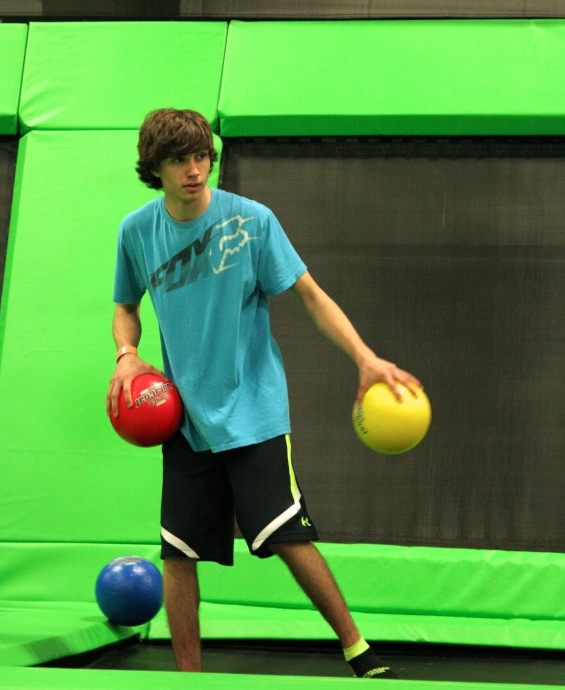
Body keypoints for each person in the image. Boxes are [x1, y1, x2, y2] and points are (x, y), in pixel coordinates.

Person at [106, 108, 422, 679]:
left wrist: (365, 358)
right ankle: (189, 677)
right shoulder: (137, 231)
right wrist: (126, 355)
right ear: (154, 167)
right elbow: (125, 309)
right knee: (178, 554)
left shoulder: (252, 221)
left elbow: (310, 295)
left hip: (253, 411)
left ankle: (359, 650)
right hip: (183, 420)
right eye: (179, 160)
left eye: (202, 157)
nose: (195, 170)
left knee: (288, 536)